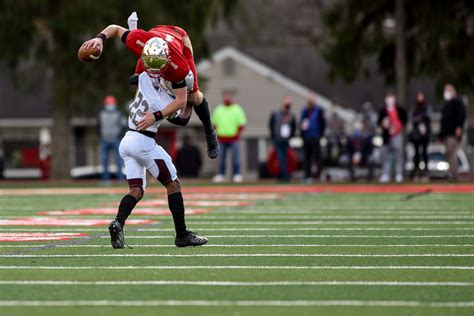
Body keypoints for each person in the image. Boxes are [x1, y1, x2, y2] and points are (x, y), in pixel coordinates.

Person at [81, 15, 219, 160]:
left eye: (157, 70)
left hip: (179, 41)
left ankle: (210, 130)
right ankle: (138, 41)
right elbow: (114, 29)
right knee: (138, 80)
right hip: (152, 38)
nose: (155, 74)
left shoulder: (179, 67)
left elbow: (182, 100)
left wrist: (156, 115)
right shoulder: (138, 41)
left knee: (194, 97)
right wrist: (99, 38)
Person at [107, 51, 208, 249]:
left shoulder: (144, 77)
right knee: (173, 184)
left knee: (136, 190)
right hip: (143, 143)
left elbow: (140, 73)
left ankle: (118, 222)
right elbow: (182, 120)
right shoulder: (165, 102)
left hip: (127, 141)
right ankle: (182, 235)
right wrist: (188, 102)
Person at [211, 92, 247, 183]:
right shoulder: (218, 109)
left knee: (236, 157)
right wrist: (217, 134)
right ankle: (221, 175)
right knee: (221, 158)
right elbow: (214, 124)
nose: (227, 98)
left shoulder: (237, 109)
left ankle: (237, 174)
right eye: (225, 97)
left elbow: (242, 123)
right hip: (221, 138)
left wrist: (237, 134)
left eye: (229, 97)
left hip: (234, 138)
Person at [378, 92, 407, 183]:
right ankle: (386, 174)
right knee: (385, 155)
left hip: (397, 135)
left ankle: (399, 174)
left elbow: (404, 120)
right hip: (387, 136)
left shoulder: (399, 109)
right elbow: (379, 122)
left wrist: (397, 128)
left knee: (399, 155)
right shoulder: (383, 111)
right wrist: (383, 124)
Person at [439, 84, 466, 181]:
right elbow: (443, 121)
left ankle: (454, 174)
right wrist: (441, 135)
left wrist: (459, 127)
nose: (446, 92)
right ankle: (451, 173)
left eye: (448, 90)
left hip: (453, 133)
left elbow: (461, 115)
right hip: (446, 133)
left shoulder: (458, 102)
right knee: (448, 153)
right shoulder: (446, 104)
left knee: (452, 152)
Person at [98, 95, 126, 182]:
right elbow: (98, 126)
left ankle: (120, 178)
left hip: (116, 139)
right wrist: (101, 135)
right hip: (104, 139)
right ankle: (105, 178)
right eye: (108, 104)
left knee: (118, 159)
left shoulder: (119, 114)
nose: (110, 105)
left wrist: (119, 136)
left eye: (111, 104)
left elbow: (124, 126)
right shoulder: (101, 114)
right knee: (104, 160)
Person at [268, 96, 296, 181]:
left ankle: (284, 175)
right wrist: (273, 136)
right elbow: (271, 125)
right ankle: (283, 176)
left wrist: (291, 136)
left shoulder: (291, 115)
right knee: (280, 158)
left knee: (286, 158)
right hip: (278, 139)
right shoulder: (276, 114)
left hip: (286, 140)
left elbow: (293, 126)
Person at [300, 94, 326, 182]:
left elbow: (323, 124)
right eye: (309, 100)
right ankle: (307, 175)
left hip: (315, 136)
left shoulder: (318, 110)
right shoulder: (305, 111)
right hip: (306, 137)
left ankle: (318, 175)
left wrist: (320, 134)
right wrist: (302, 135)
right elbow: (302, 123)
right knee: (307, 157)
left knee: (317, 156)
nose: (310, 101)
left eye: (312, 100)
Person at [408, 92, 431, 181]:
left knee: (424, 153)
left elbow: (428, 117)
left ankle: (425, 172)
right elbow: (412, 119)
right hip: (416, 135)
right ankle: (417, 172)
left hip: (425, 135)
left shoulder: (427, 108)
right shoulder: (414, 108)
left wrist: (421, 119)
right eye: (419, 96)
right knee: (416, 154)